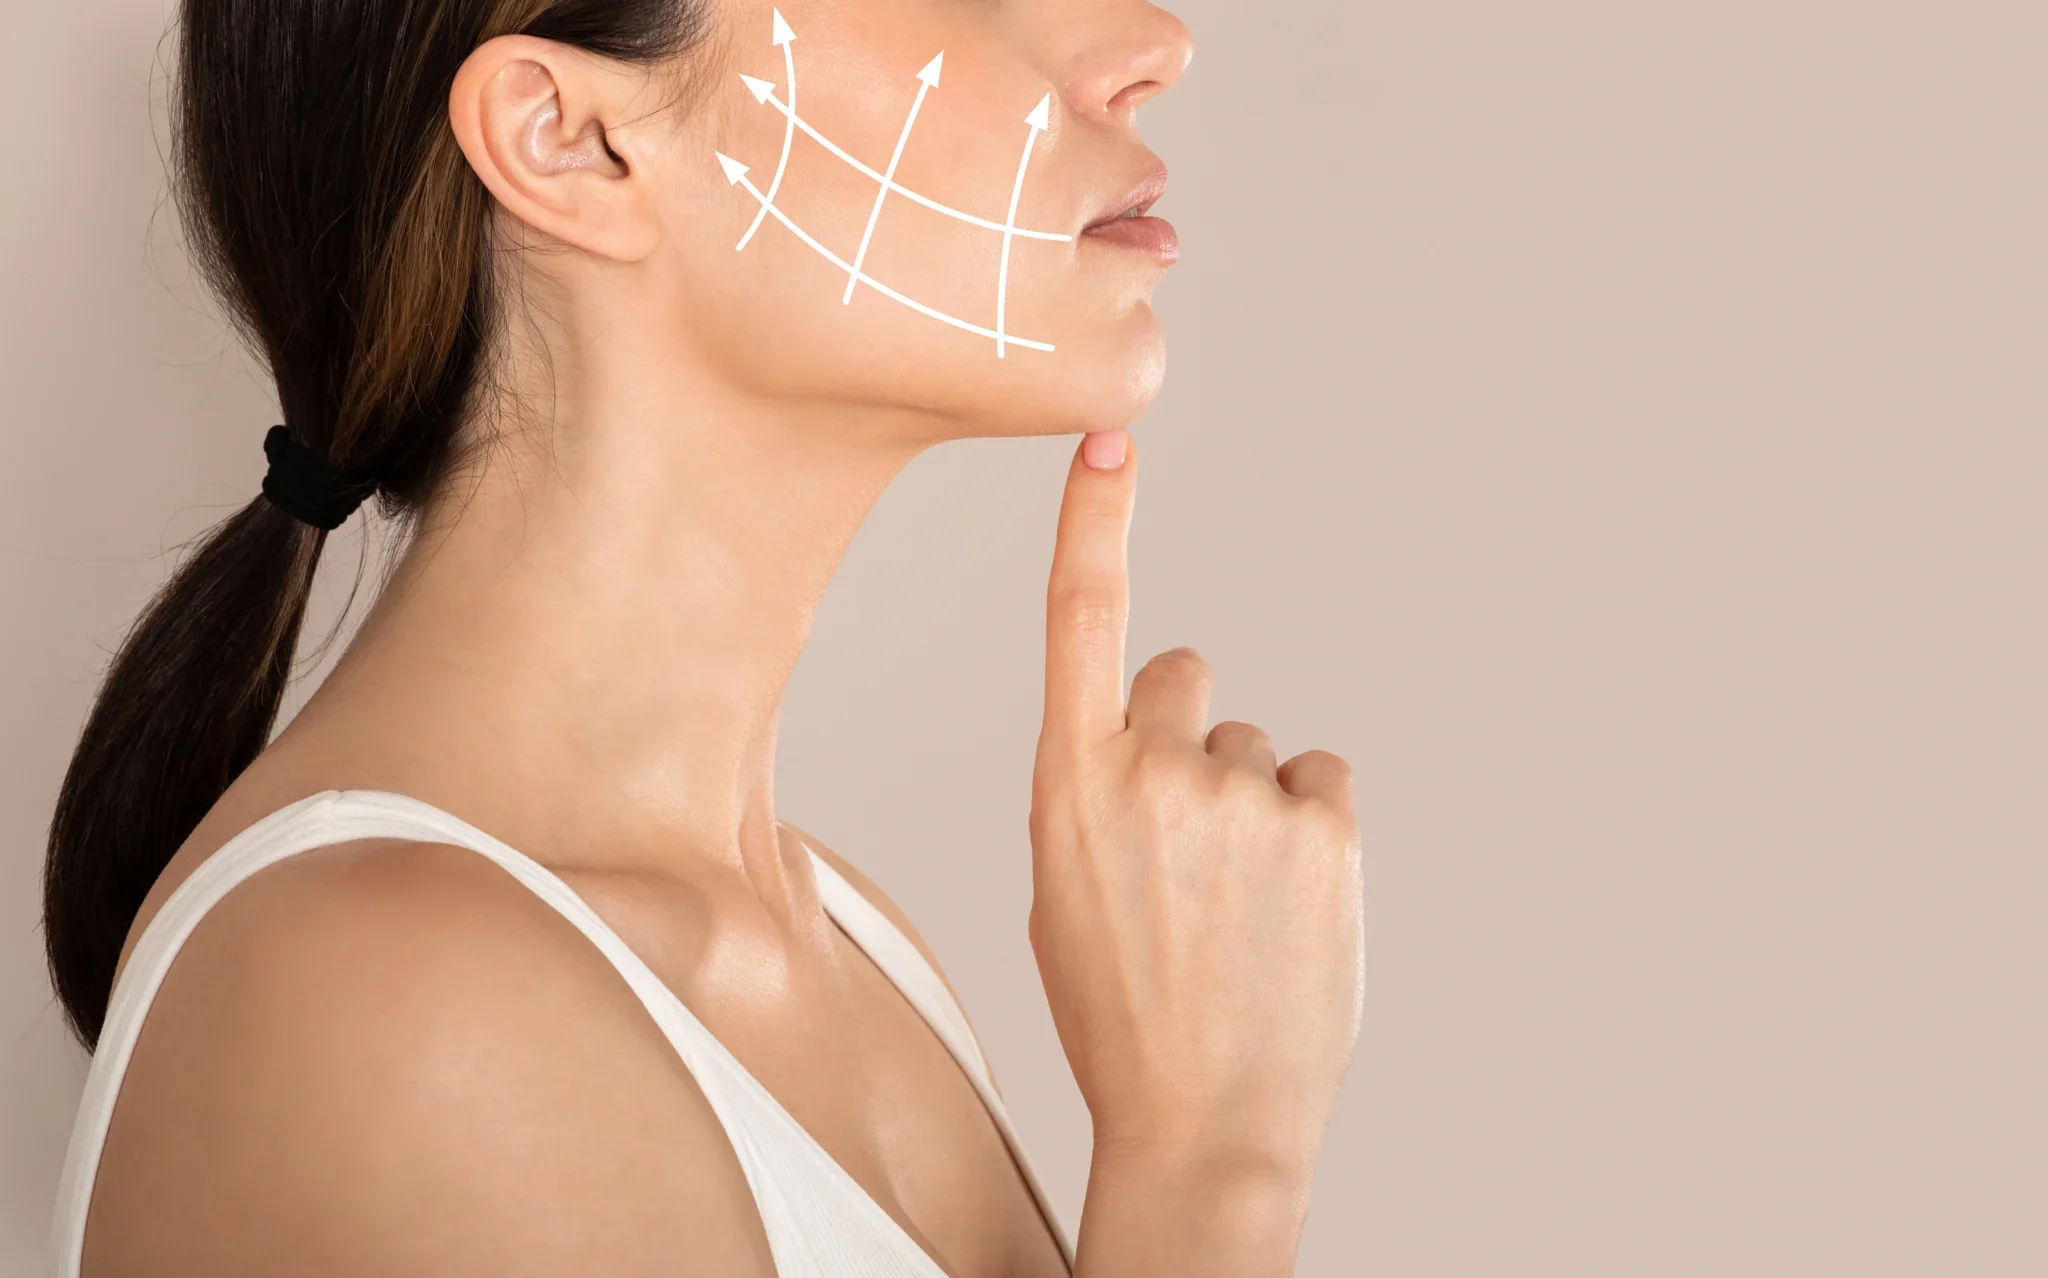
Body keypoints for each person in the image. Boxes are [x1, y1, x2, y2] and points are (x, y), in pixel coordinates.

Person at [43, 0, 1364, 1274]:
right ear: (571, 138)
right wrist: (1215, 1166)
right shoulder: (398, 1009)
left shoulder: (843, 946)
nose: (1153, 43)